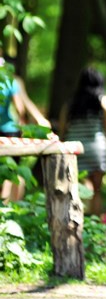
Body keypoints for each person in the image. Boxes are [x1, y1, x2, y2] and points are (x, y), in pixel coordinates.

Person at [60, 67, 106, 215]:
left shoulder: (71, 104)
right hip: (96, 149)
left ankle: (78, 220)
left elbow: (62, 129)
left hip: (75, 149)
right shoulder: (103, 101)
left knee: (78, 186)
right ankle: (95, 224)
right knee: (96, 190)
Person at [0, 56, 53, 201]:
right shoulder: (12, 81)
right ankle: (10, 206)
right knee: (12, 171)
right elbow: (20, 107)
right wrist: (25, 122)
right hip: (10, 131)